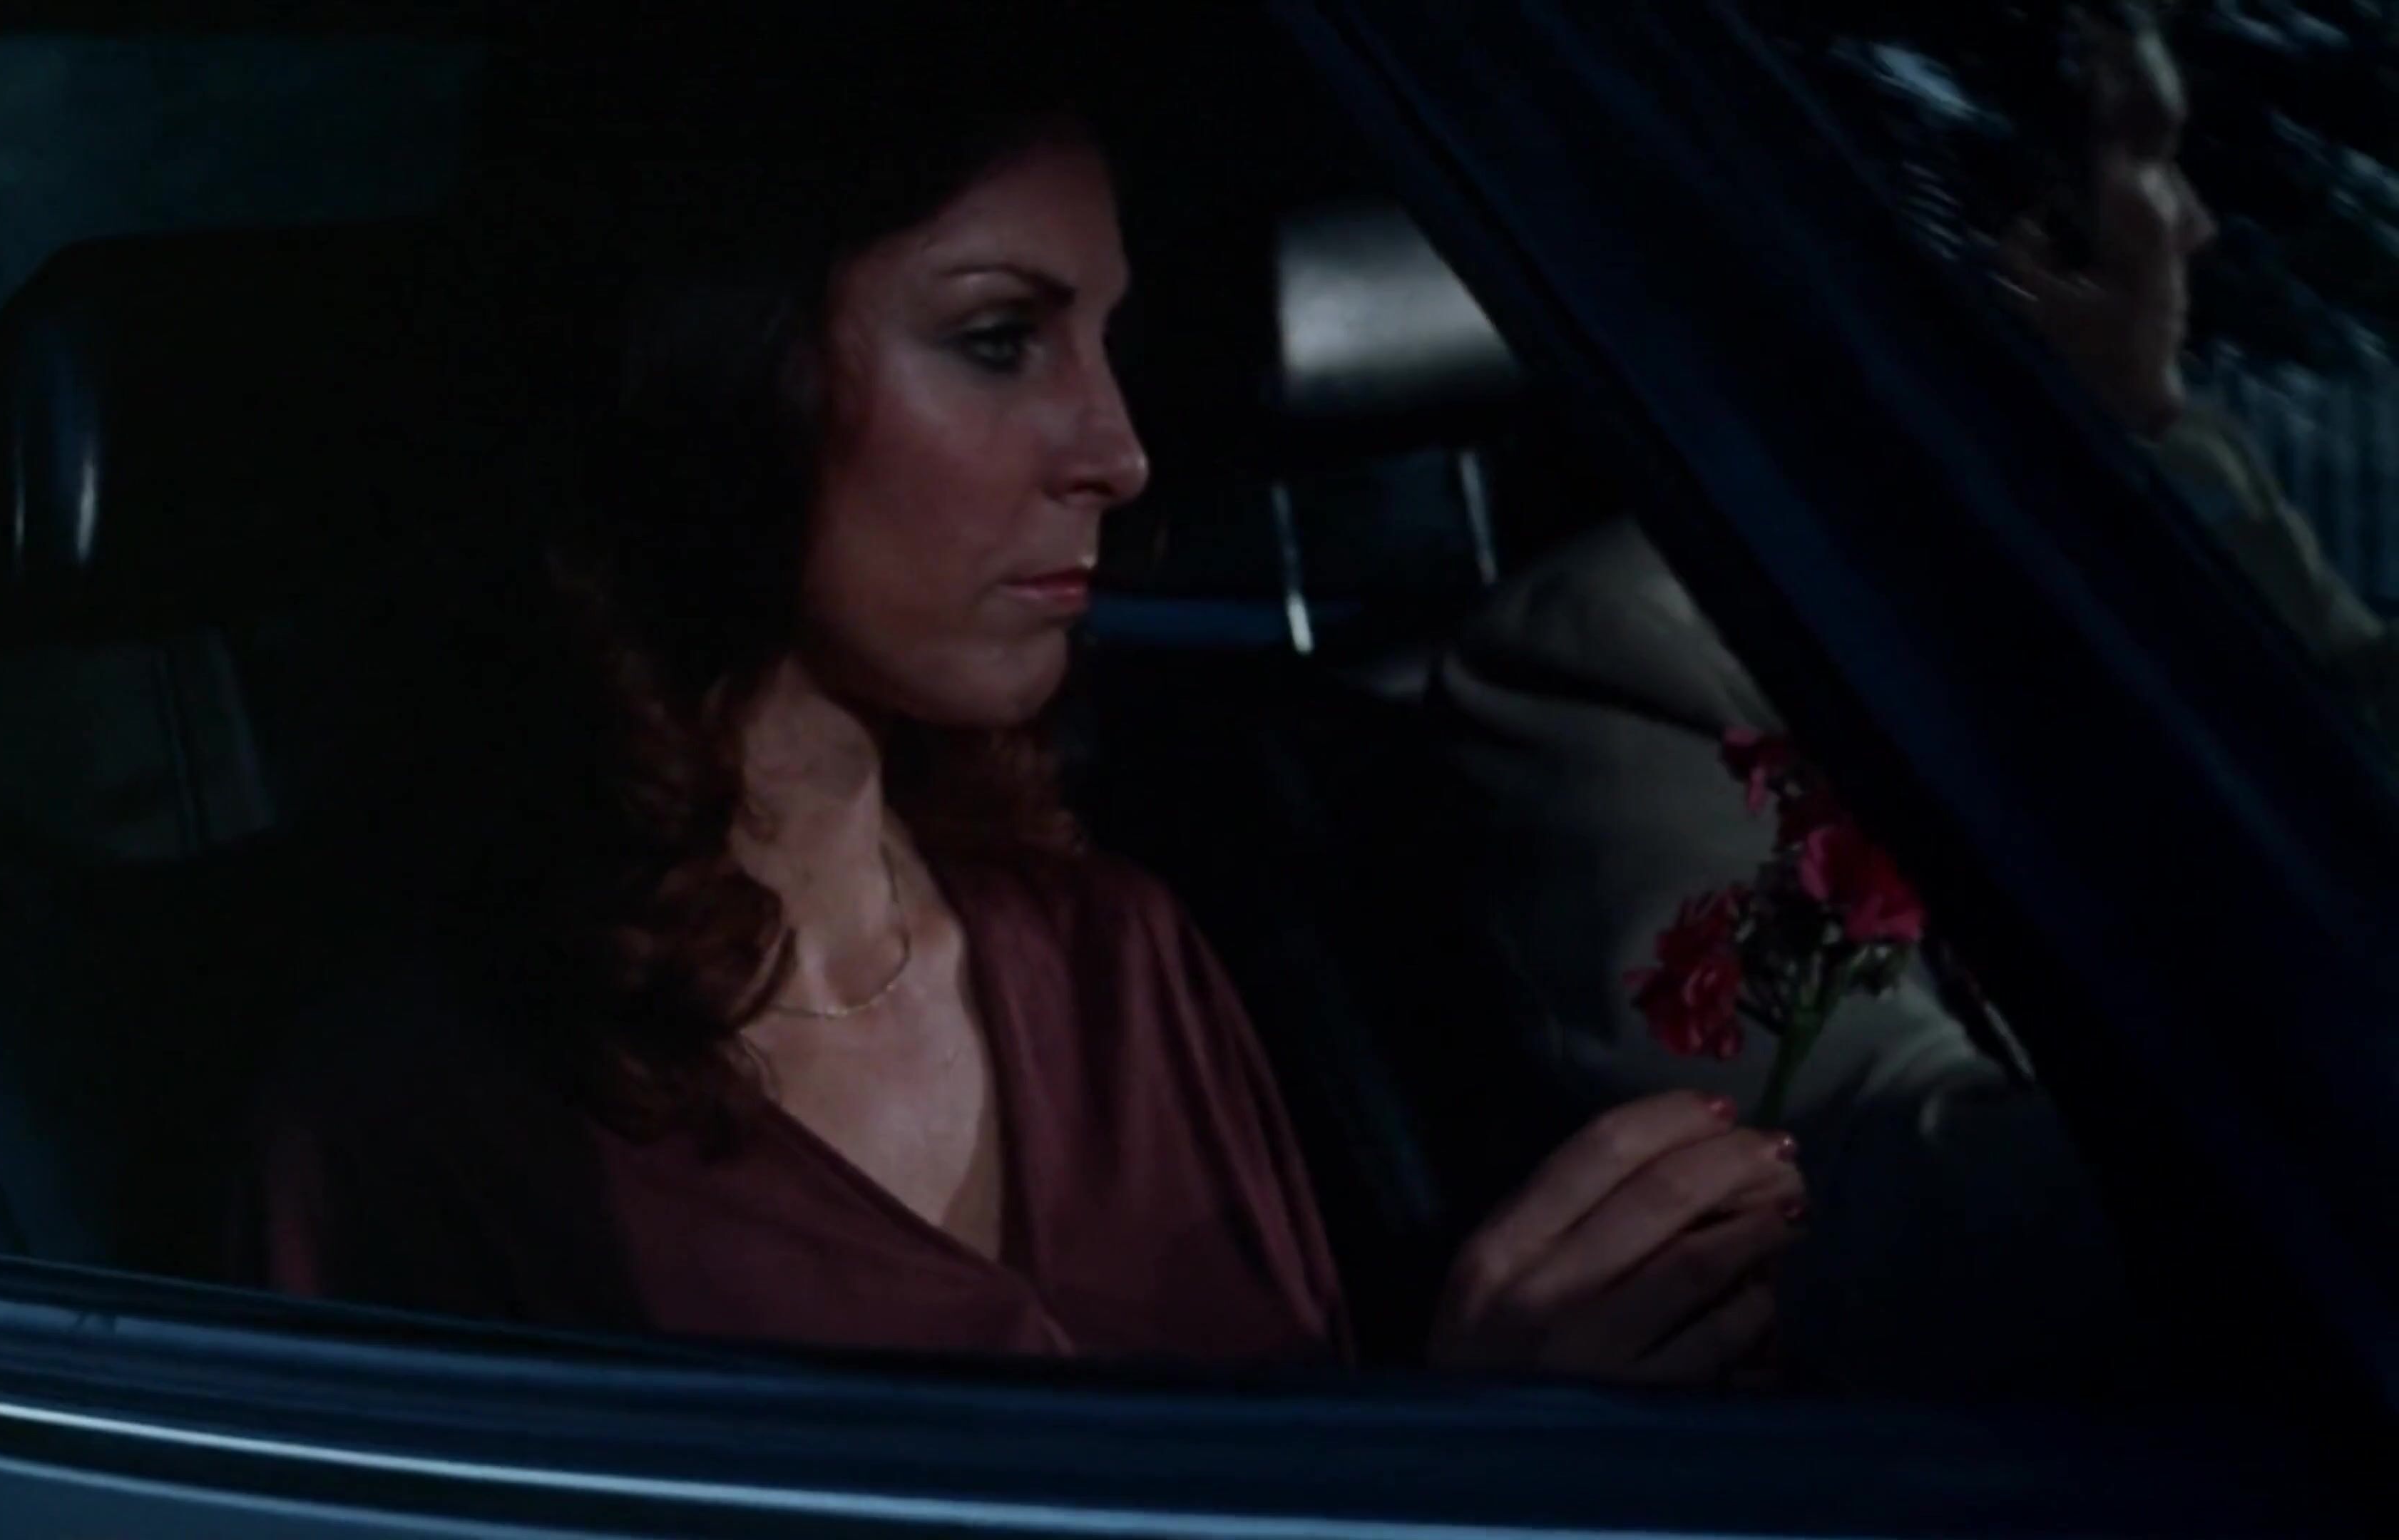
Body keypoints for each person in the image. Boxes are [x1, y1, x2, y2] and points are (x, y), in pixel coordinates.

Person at [229, 6, 1805, 1377]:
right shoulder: (421, 1113)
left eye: (1108, 345)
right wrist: (1458, 1459)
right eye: (999, 342)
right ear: (719, 366)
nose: (1117, 454)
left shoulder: (1117, 960)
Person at [1435, 0, 2378, 1393]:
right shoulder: (1636, 647)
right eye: (2150, 169)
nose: (2191, 230)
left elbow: (2352, 729)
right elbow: (1833, 1181)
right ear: (2026, 245)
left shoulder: (2183, 503)